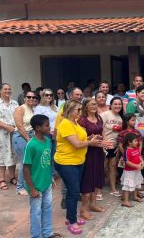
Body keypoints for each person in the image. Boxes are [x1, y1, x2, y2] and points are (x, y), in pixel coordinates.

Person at [54, 100, 102, 235]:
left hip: (77, 161)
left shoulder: (74, 122)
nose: (80, 112)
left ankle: (71, 217)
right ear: (69, 111)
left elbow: (80, 138)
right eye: (78, 110)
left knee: (73, 191)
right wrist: (90, 142)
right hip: (66, 162)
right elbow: (77, 144)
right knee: (74, 192)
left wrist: (90, 137)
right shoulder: (65, 124)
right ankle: (71, 220)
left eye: (81, 110)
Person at [23, 114, 62, 238]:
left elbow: (47, 162)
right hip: (36, 185)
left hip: (46, 183)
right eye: (46, 125)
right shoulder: (31, 145)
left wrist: (50, 178)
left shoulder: (47, 142)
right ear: (37, 127)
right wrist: (32, 188)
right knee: (36, 212)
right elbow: (26, 168)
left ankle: (47, 233)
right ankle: (36, 235)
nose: (49, 127)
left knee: (47, 209)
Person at [77, 98, 106, 219]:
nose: (94, 106)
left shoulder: (99, 118)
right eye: (91, 104)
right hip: (88, 152)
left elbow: (102, 132)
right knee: (88, 179)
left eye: (95, 104)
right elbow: (81, 138)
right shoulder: (82, 120)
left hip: (98, 151)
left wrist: (104, 142)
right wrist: (91, 139)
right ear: (86, 107)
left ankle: (93, 204)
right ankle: (83, 209)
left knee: (96, 177)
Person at [0, 83, 19, 190]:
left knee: (12, 155)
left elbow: (19, 116)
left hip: (13, 133)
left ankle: (12, 177)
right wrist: (7, 127)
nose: (7, 91)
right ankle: (1, 179)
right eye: (5, 89)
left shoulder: (14, 103)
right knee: (0, 155)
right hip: (0, 135)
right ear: (0, 91)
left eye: (9, 89)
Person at [12, 90, 36, 196]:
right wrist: (27, 138)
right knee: (24, 162)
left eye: (33, 97)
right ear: (24, 98)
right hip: (20, 136)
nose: (31, 99)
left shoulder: (32, 109)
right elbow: (19, 125)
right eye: (29, 97)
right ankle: (20, 187)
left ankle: (27, 184)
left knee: (29, 162)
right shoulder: (20, 108)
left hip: (30, 135)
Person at [100, 97, 124, 197]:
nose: (117, 106)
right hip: (104, 145)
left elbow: (120, 134)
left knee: (113, 167)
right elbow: (99, 127)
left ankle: (113, 189)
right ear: (111, 105)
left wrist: (119, 146)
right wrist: (104, 141)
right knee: (102, 167)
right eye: (115, 104)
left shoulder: (120, 118)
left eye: (119, 104)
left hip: (114, 146)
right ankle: (98, 191)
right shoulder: (105, 114)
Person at [34, 89, 59, 175]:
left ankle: (52, 173)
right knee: (45, 154)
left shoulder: (55, 107)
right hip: (45, 135)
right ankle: (45, 173)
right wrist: (48, 131)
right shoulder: (39, 108)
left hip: (55, 134)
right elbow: (37, 122)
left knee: (54, 154)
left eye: (51, 95)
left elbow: (59, 120)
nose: (49, 97)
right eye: (47, 95)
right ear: (43, 96)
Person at [121, 133, 144, 207]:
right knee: (127, 186)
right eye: (135, 141)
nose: (137, 142)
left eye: (137, 141)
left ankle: (135, 196)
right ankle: (125, 200)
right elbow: (127, 162)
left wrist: (142, 162)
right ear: (129, 142)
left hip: (137, 171)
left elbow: (139, 156)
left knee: (136, 183)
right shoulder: (127, 151)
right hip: (129, 172)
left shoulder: (136, 148)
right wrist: (136, 166)